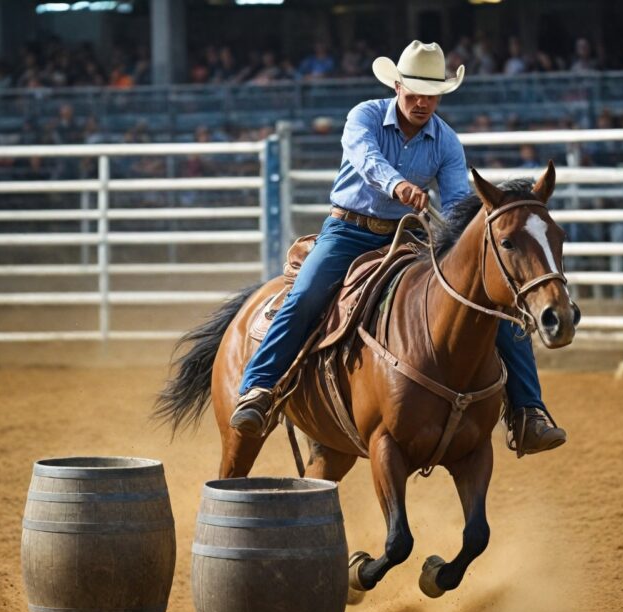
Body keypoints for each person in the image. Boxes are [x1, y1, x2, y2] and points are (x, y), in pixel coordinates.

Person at [230, 40, 567, 457]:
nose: (423, 102)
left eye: (432, 95)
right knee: (305, 297)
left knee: (490, 307)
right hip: (348, 231)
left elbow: (456, 203)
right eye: (415, 93)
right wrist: (398, 185)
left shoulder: (446, 141)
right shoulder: (364, 116)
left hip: (409, 237)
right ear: (397, 86)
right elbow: (366, 158)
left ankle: (529, 412)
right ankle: (259, 388)